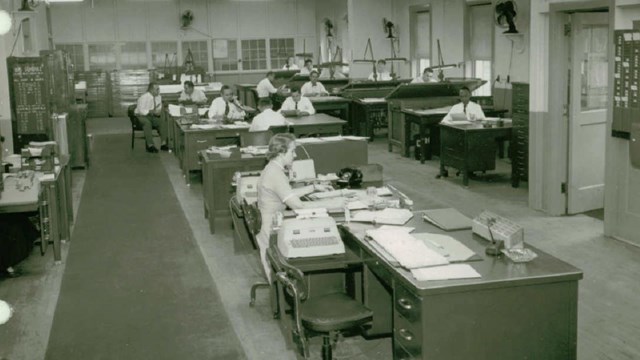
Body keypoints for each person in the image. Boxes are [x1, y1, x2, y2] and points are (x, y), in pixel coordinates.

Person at [255, 133, 330, 279]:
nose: (295, 155)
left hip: (269, 222)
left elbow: (286, 193)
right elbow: (297, 205)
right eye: (292, 151)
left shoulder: (272, 168)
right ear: (282, 152)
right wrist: (330, 205)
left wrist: (314, 187)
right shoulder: (275, 174)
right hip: (271, 229)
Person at [135, 82, 168, 153]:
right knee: (147, 123)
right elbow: (141, 111)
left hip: (151, 115)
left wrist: (158, 112)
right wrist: (151, 112)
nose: (159, 91)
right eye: (157, 89)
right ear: (151, 90)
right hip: (141, 116)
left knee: (162, 121)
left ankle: (163, 143)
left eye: (159, 89)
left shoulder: (158, 97)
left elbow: (158, 108)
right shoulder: (144, 97)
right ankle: (150, 145)